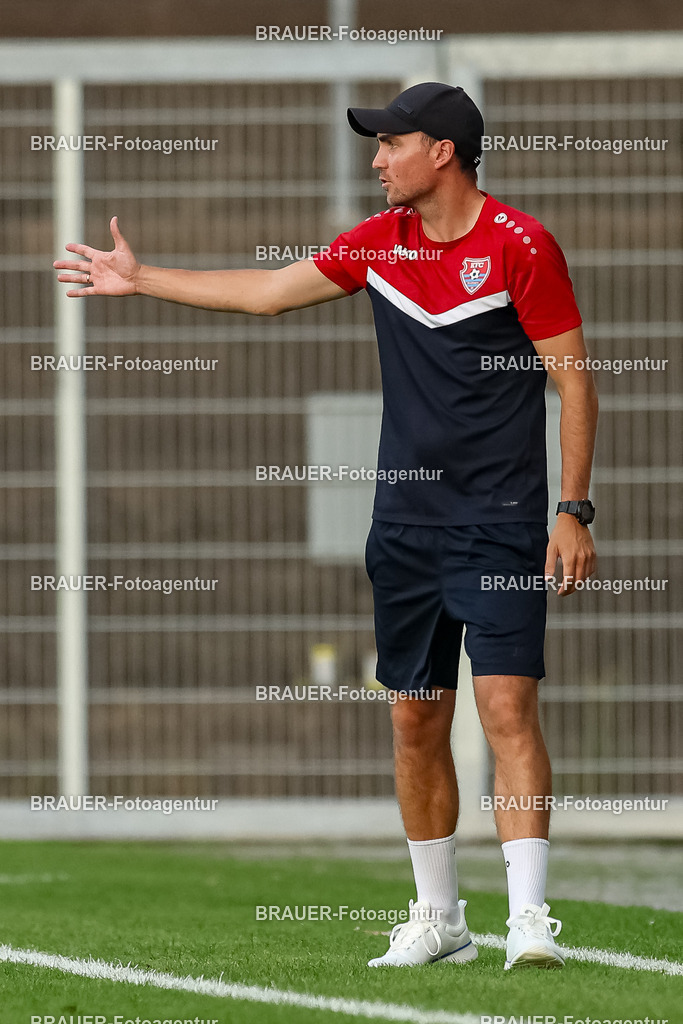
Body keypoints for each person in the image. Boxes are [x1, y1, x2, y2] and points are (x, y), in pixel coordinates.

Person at [54, 81, 597, 971]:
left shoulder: (520, 247)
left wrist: (571, 510)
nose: (376, 159)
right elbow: (269, 292)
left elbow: (574, 383)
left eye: (391, 144)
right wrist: (141, 277)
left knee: (507, 706)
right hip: (405, 527)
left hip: (501, 523)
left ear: (442, 154)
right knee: (415, 721)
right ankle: (440, 918)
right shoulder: (376, 243)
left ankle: (530, 920)